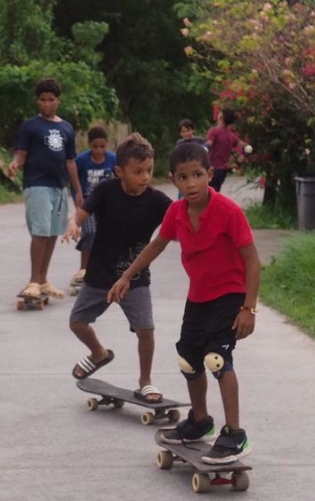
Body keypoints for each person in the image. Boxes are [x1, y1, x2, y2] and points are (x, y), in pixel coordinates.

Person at [109, 142, 261, 465]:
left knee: (217, 359)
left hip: (230, 294)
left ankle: (235, 434)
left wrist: (248, 308)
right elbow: (156, 246)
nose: (191, 183)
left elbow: (252, 260)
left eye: (197, 175)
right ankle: (200, 422)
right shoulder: (176, 213)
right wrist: (127, 277)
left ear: (210, 175)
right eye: (183, 177)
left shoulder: (228, 212)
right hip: (199, 296)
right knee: (189, 361)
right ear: (173, 180)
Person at [63, 133, 172, 403]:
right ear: (119, 171)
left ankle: (145, 380)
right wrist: (73, 223)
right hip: (99, 273)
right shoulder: (105, 191)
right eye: (138, 172)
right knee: (77, 323)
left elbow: (182, 221)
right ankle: (98, 353)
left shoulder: (158, 201)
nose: (145, 177)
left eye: (148, 170)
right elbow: (81, 213)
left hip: (135, 277)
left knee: (145, 329)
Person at [7, 78, 85, 300]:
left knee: (52, 233)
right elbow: (21, 154)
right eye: (43, 100)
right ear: (37, 101)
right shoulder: (30, 126)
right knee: (40, 232)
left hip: (59, 187)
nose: (47, 104)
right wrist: (14, 164)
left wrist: (77, 191)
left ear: (58, 101)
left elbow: (70, 161)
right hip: (37, 184)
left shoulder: (66, 128)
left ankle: (43, 280)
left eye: (51, 100)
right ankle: (33, 280)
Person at [71, 126, 117, 285]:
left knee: (105, 235)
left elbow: (121, 178)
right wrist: (76, 197)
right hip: (87, 203)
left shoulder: (112, 159)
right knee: (90, 232)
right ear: (90, 145)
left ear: (107, 144)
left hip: (106, 204)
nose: (99, 150)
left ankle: (102, 270)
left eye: (102, 146)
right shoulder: (82, 160)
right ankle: (83, 270)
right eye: (95, 147)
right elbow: (74, 180)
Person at [205, 108, 250, 193]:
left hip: (211, 169)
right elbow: (247, 149)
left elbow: (207, 147)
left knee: (206, 196)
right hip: (222, 171)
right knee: (215, 194)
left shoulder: (214, 132)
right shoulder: (231, 136)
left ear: (221, 117)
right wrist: (237, 163)